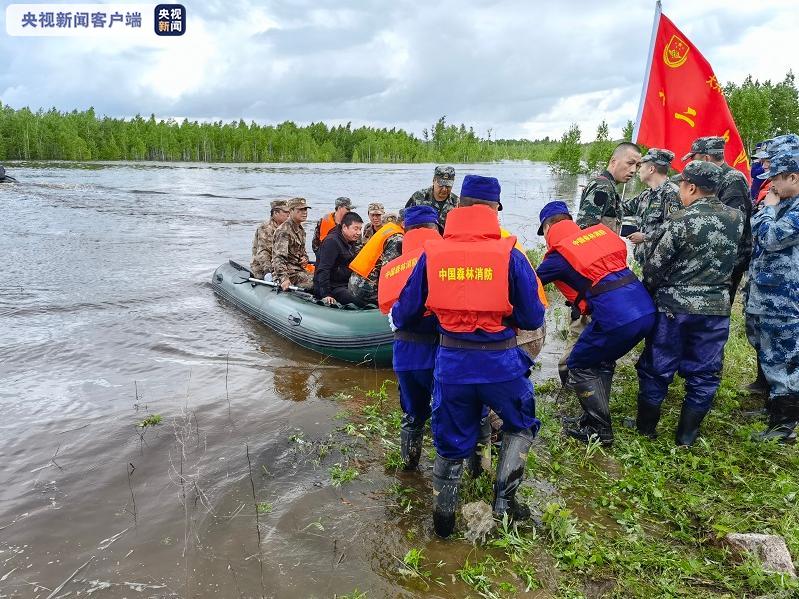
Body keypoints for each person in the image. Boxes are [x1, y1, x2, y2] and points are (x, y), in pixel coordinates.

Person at [392, 174, 546, 537]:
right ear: (494, 209)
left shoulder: (432, 253)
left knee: (449, 441)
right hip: (501, 365)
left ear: (459, 207)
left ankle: (443, 526)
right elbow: (532, 317)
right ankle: (505, 505)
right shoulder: (510, 253)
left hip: (451, 367)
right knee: (520, 424)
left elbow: (405, 314)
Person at [635, 161, 743, 446]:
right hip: (716, 308)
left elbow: (655, 266)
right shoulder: (737, 218)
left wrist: (649, 292)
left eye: (682, 184)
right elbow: (743, 255)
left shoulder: (680, 220)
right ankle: (686, 437)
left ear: (691, 187)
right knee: (706, 372)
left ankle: (646, 429)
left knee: (658, 366)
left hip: (675, 307)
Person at [535, 201, 655, 444]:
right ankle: (591, 419)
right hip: (645, 310)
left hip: (616, 319)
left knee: (578, 363)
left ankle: (600, 430)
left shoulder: (558, 256)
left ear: (548, 227)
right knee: (601, 359)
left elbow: (527, 284)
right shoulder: (596, 239)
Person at [378, 206, 442, 470]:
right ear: (435, 229)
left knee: (413, 413)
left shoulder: (392, 267)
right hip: (441, 353)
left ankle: (409, 468)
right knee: (447, 413)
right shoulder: (443, 258)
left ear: (406, 231)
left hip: (405, 353)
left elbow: (390, 310)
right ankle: (453, 472)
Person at [748, 138, 799, 442]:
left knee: (785, 359)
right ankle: (775, 409)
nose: (772, 187)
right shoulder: (787, 203)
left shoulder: (791, 209)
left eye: (776, 180)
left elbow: (769, 238)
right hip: (769, 296)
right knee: (770, 355)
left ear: (793, 176)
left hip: (785, 300)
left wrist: (766, 209)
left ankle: (784, 428)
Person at [682, 136, 751, 301]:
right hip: (714, 254)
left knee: (719, 305)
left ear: (706, 158)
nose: (691, 162)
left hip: (730, 257)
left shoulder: (732, 179)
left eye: (694, 158)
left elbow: (734, 222)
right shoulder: (715, 178)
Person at [622, 148, 682, 268]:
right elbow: (623, 208)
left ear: (651, 169)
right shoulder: (646, 194)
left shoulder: (672, 193)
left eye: (641, 166)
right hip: (644, 262)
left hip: (662, 265)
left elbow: (674, 230)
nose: (638, 171)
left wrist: (645, 237)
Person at [576, 142, 642, 234]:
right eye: (630, 163)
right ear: (613, 161)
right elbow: (585, 231)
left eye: (638, 166)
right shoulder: (602, 187)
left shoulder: (609, 186)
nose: (634, 170)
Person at [348, 211, 404, 307]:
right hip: (366, 288)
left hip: (354, 282)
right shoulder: (398, 238)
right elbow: (389, 272)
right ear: (404, 223)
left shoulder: (388, 229)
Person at [313, 212, 364, 306]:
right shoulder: (332, 242)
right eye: (355, 229)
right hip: (333, 287)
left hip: (345, 282)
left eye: (360, 229)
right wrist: (326, 294)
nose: (359, 232)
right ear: (344, 227)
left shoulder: (350, 241)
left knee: (367, 295)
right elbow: (323, 269)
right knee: (357, 300)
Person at [271, 197, 314, 291]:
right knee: (318, 282)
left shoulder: (300, 229)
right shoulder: (284, 231)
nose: (305, 212)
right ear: (291, 211)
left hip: (299, 270)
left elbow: (302, 251)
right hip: (289, 274)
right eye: (300, 209)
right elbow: (278, 257)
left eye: (305, 209)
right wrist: (284, 279)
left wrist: (305, 258)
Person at [405, 165, 459, 234]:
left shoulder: (457, 202)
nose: (444, 189)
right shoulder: (418, 197)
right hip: (423, 239)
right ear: (434, 180)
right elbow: (404, 220)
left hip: (446, 241)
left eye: (448, 185)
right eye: (441, 184)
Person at [250, 199, 290, 279]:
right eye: (285, 212)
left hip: (283, 265)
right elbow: (263, 252)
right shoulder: (266, 228)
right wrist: (268, 271)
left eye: (289, 212)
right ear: (275, 213)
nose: (288, 214)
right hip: (264, 267)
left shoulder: (288, 227)